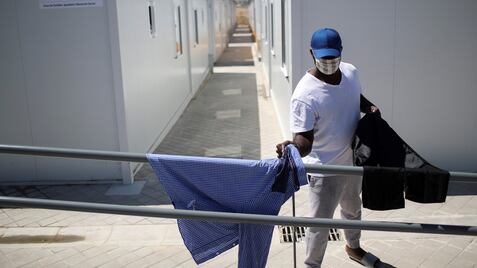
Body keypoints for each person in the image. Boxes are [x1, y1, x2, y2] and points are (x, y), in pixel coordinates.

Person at [276, 28, 381, 267]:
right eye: (323, 57)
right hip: (324, 171)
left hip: (351, 163)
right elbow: (304, 142)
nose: (329, 62)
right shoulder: (305, 95)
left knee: (353, 211)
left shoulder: (351, 73)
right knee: (319, 226)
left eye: (333, 56)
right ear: (311, 54)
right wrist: (291, 147)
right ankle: (312, 265)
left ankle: (354, 248)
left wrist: (370, 107)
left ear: (341, 52)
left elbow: (355, 96)